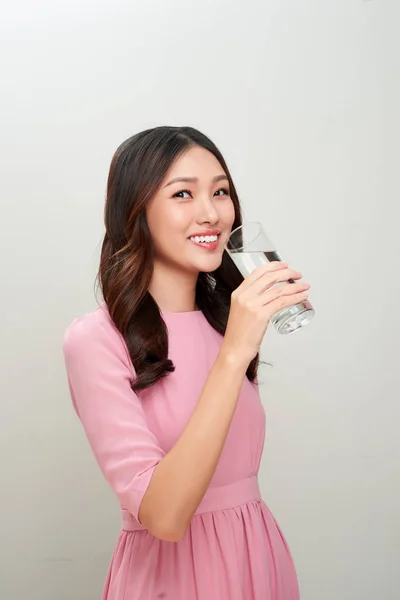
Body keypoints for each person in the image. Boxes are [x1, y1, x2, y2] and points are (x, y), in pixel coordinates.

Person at [63, 126, 310, 599]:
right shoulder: (95, 339)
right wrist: (235, 351)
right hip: (170, 579)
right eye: (183, 194)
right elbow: (165, 517)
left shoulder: (227, 320)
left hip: (256, 560)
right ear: (136, 211)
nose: (211, 213)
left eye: (220, 191)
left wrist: (237, 340)